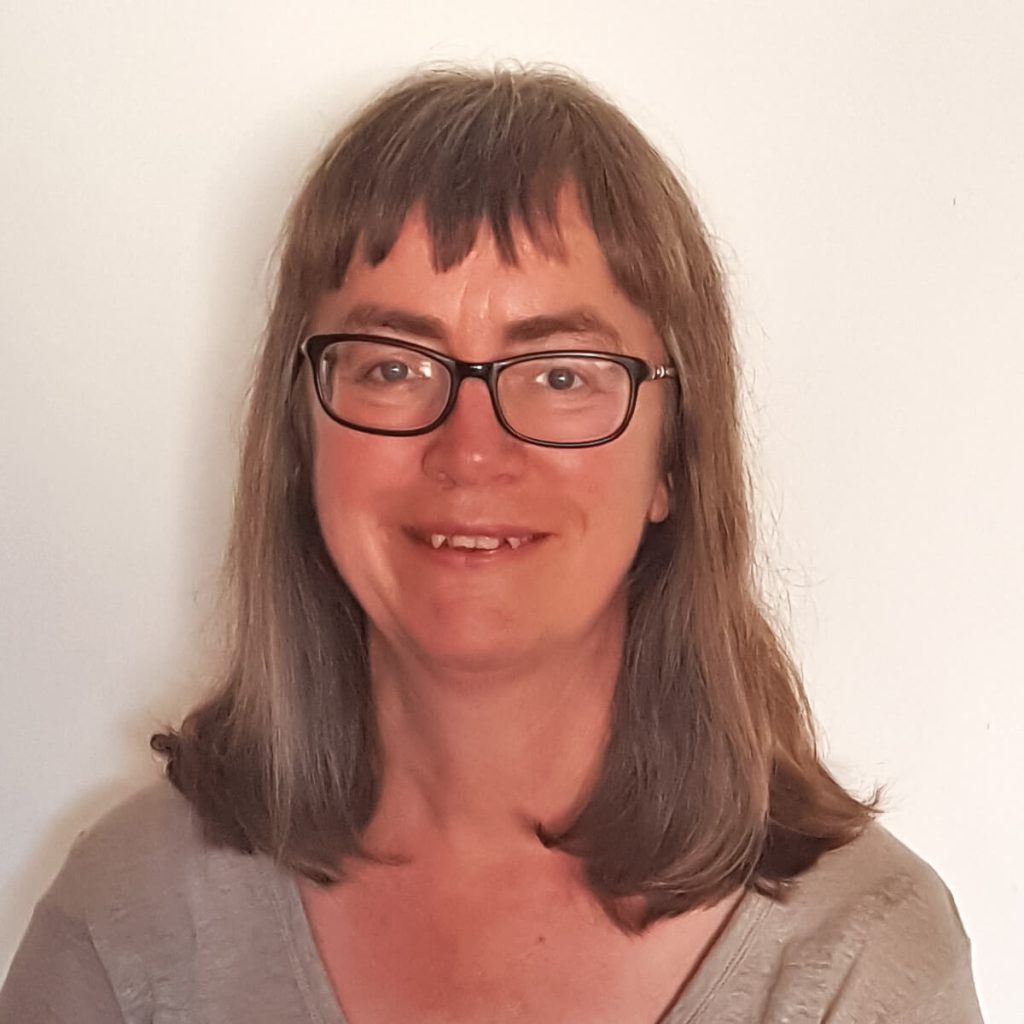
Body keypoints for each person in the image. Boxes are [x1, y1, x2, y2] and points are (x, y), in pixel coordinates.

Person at [0, 66, 983, 1024]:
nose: (470, 452)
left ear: (675, 458)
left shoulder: (858, 958)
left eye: (559, 374)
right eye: (393, 366)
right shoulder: (131, 922)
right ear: (303, 442)